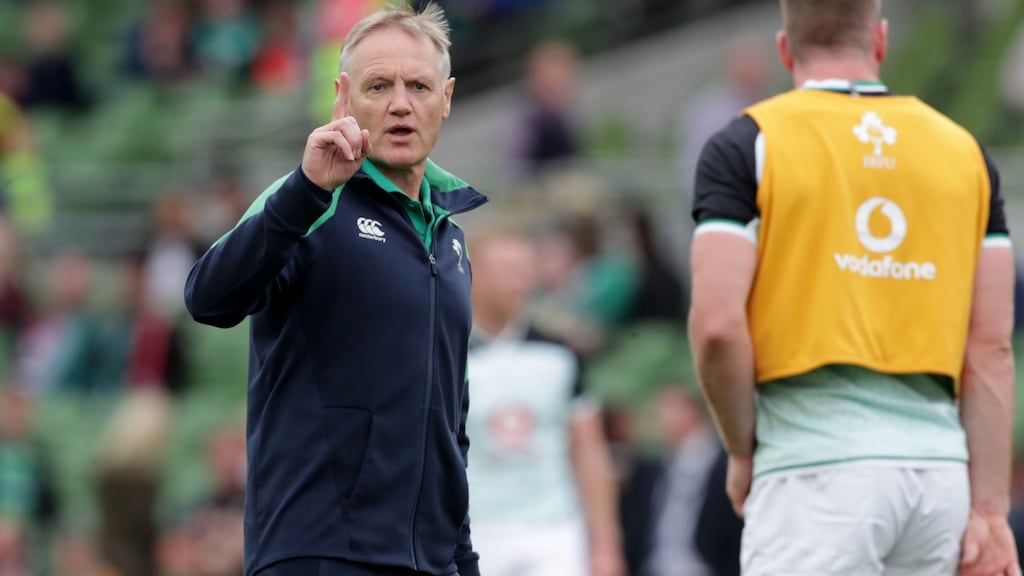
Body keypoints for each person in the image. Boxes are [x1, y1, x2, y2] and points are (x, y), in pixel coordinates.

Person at [687, 1, 1019, 575]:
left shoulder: (749, 143)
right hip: (937, 483)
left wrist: (742, 448)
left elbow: (717, 326)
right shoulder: (965, 152)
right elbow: (991, 345)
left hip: (814, 477)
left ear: (784, 49)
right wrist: (990, 509)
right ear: (881, 41)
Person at [184, 4, 487, 576]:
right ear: (344, 97)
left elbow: (452, 424)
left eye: (418, 86)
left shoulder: (451, 242)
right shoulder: (306, 201)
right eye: (379, 85)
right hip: (320, 551)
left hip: (430, 562)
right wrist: (303, 191)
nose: (401, 103)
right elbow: (208, 298)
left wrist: (461, 558)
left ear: (445, 99)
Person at [464, 227, 623, 576]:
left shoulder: (560, 355)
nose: (517, 281)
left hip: (553, 532)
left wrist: (606, 545)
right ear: (471, 272)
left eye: (524, 270)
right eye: (505, 270)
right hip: (473, 534)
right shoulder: (445, 357)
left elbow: (590, 452)